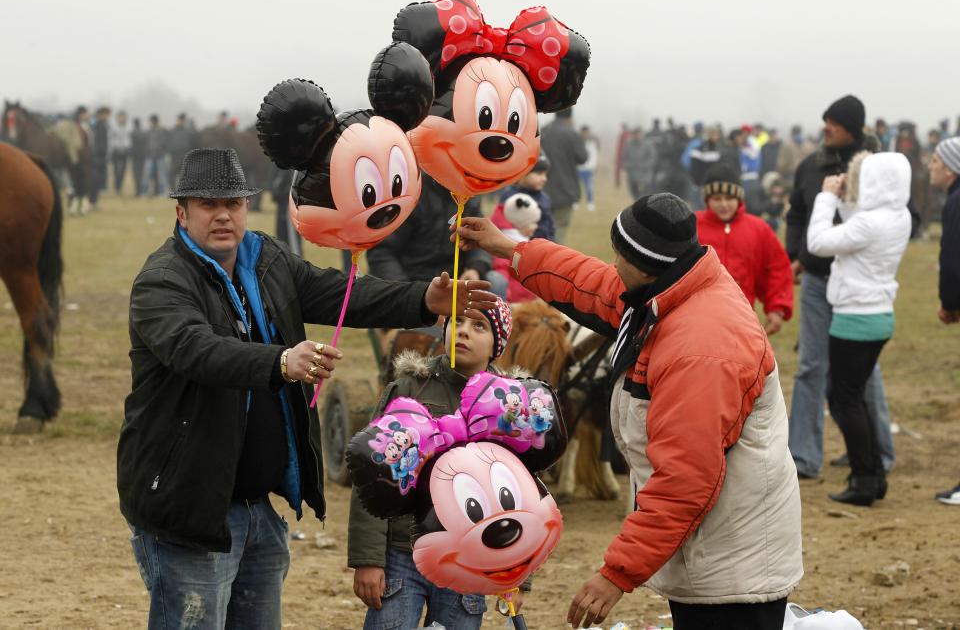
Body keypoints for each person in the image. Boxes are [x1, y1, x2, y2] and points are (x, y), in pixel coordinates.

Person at [117, 148, 498, 629]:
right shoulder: (162, 282)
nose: (222, 215)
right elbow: (197, 350)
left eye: (232, 203)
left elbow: (343, 293)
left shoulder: (265, 258)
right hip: (189, 510)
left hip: (258, 509)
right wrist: (279, 361)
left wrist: (423, 299)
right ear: (181, 212)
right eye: (207, 204)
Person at [454, 193, 802, 630]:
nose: (613, 264)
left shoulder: (701, 350)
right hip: (710, 547)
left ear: (646, 263)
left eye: (620, 256)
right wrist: (508, 247)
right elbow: (592, 283)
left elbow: (685, 480)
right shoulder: (672, 289)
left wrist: (615, 575)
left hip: (733, 562)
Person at [348, 298, 517, 630]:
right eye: (457, 322)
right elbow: (371, 472)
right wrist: (368, 559)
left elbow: (521, 492)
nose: (464, 332)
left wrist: (518, 575)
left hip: (469, 561)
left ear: (497, 344)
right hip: (402, 554)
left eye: (479, 326)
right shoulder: (410, 388)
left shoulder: (509, 406)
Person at [785, 95, 896, 479]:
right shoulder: (810, 166)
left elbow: (898, 215)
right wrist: (795, 255)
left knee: (865, 374)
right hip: (818, 282)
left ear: (851, 126)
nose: (825, 127)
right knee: (811, 367)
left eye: (832, 121)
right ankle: (801, 456)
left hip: (858, 285)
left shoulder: (876, 167)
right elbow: (797, 213)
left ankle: (877, 451)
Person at [806, 152, 911, 506]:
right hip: (878, 316)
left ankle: (865, 478)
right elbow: (859, 227)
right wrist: (848, 201)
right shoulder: (898, 217)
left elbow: (818, 242)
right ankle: (873, 473)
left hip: (854, 319)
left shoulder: (870, 224)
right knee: (855, 395)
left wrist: (826, 197)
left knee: (843, 400)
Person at [695, 164, 793, 336]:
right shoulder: (692, 227)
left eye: (729, 197)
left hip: (742, 319)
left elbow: (777, 268)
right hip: (696, 319)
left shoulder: (758, 229)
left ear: (739, 198)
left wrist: (777, 307)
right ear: (707, 200)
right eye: (717, 198)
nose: (724, 204)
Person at [366, 174, 491, 284]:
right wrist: (407, 294)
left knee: (495, 280)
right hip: (410, 284)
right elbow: (382, 252)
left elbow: (479, 241)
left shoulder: (468, 197)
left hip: (452, 286)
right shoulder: (410, 195)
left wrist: (475, 269)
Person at [928, 137, 960, 505]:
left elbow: (953, 260)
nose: (930, 166)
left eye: (936, 161)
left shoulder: (955, 203)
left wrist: (949, 303)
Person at [540, 107, 587, 243]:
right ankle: (553, 262)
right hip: (566, 189)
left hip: (542, 187)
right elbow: (582, 157)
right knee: (559, 228)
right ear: (570, 117)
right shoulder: (572, 133)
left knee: (543, 229)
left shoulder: (544, 131)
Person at [489, 192, 541, 302]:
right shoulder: (506, 246)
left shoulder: (523, 242)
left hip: (527, 298)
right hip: (514, 300)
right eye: (533, 223)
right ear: (519, 224)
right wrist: (506, 300)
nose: (536, 226)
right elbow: (501, 272)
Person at [621, 127, 658, 202]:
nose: (638, 136)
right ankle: (637, 204)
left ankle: (643, 207)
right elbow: (625, 158)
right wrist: (627, 166)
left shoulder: (648, 144)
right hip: (633, 174)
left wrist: (646, 165)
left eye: (639, 134)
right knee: (634, 193)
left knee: (645, 193)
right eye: (635, 134)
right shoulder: (628, 145)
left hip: (645, 174)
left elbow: (653, 157)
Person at [89, 106, 111, 208]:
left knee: (98, 181)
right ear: (100, 114)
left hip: (101, 157)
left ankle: (94, 201)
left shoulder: (103, 125)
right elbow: (97, 143)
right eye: (105, 114)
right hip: (97, 157)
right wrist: (99, 154)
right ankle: (92, 201)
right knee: (94, 180)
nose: (107, 116)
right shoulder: (97, 125)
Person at [141, 114, 168, 196]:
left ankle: (162, 192)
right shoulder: (148, 131)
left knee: (161, 175)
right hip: (150, 156)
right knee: (147, 175)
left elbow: (163, 143)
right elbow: (146, 143)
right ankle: (144, 192)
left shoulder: (161, 131)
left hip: (159, 156)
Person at [109, 110, 132, 195]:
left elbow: (130, 139)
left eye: (123, 117)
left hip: (125, 151)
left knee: (123, 170)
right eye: (120, 117)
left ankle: (120, 187)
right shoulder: (113, 127)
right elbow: (110, 139)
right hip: (116, 150)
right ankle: (117, 187)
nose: (122, 118)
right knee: (115, 171)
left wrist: (129, 148)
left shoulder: (129, 127)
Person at [577, 125, 599, 211]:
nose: (585, 134)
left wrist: (593, 167)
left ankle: (590, 203)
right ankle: (576, 202)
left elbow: (594, 156)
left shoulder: (591, 143)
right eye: (584, 132)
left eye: (587, 133)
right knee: (577, 187)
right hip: (578, 168)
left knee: (589, 187)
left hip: (588, 169)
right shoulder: (577, 143)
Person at [130, 118, 147, 198]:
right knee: (141, 174)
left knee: (136, 174)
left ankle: (138, 191)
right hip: (142, 156)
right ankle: (141, 191)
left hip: (135, 157)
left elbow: (131, 146)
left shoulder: (132, 133)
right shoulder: (143, 133)